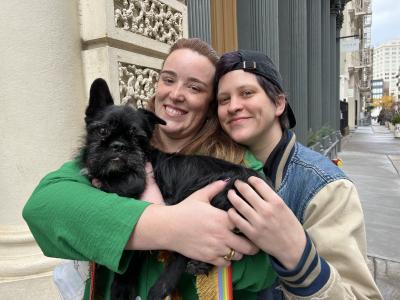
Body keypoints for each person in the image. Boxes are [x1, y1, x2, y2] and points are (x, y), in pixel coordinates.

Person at [22, 39, 276, 299]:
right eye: (168, 79)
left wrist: (211, 249)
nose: (176, 93)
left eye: (194, 87)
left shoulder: (239, 163)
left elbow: (267, 267)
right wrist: (164, 225)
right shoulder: (107, 155)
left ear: (210, 104)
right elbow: (43, 208)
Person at [214, 50, 383, 299]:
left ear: (279, 103)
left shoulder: (326, 187)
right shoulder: (216, 172)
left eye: (247, 93)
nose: (234, 106)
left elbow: (359, 294)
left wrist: (296, 255)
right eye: (223, 99)